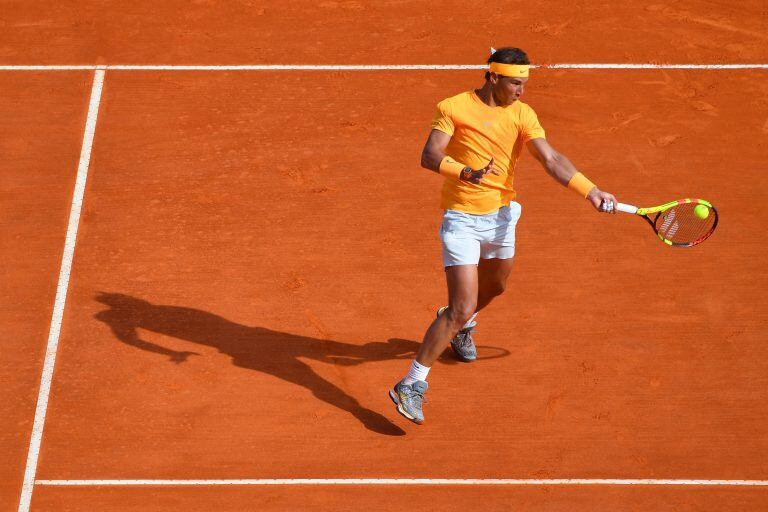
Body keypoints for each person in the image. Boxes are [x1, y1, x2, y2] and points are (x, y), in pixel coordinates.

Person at [389, 47, 618, 425]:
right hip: (462, 218)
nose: (521, 91)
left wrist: (590, 190)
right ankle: (412, 383)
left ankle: (462, 326)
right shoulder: (453, 107)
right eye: (515, 83)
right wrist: (464, 173)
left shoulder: (523, 114)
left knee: (495, 288)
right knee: (460, 306)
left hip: (501, 218)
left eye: (524, 84)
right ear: (492, 77)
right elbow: (430, 156)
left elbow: (551, 159)